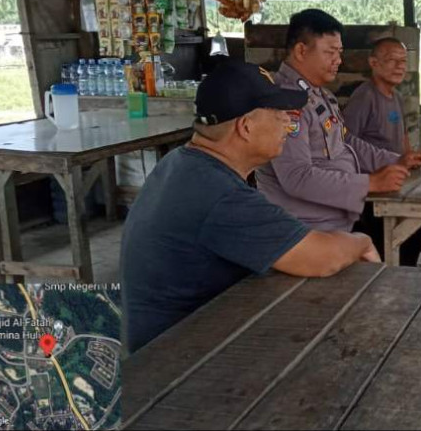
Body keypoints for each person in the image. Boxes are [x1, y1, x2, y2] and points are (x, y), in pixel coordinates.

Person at [121, 60, 380, 353]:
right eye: (279, 114)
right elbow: (321, 258)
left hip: (181, 337)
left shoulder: (182, 162)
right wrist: (361, 241)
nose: (289, 123)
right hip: (175, 362)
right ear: (245, 127)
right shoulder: (218, 194)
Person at [255, 9, 421, 233]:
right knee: (403, 231)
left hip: (337, 218)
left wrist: (394, 160)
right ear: (301, 50)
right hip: (305, 228)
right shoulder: (285, 102)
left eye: (339, 52)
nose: (338, 60)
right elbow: (297, 177)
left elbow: (346, 141)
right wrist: (370, 183)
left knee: (417, 223)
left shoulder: (320, 95)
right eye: (330, 52)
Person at [343, 37, 421, 266]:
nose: (399, 66)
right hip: (373, 188)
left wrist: (410, 156)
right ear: (374, 63)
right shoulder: (364, 97)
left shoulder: (396, 96)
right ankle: (398, 262)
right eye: (391, 60)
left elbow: (403, 135)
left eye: (403, 61)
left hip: (397, 179)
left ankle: (406, 259)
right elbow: (345, 141)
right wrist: (391, 162)